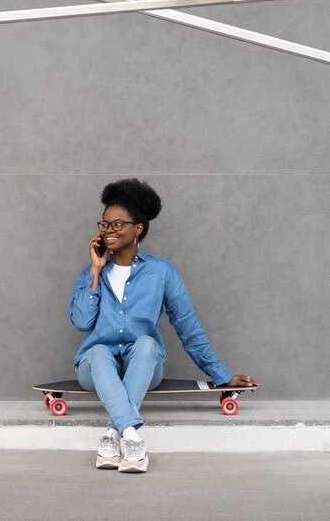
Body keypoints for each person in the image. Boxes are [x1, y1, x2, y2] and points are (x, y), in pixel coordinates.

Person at [69, 178, 260, 473]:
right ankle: (131, 438)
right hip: (95, 370)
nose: (108, 231)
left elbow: (188, 327)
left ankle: (112, 437)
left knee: (147, 343)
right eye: (104, 225)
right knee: (97, 351)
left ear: (138, 229)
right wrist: (95, 269)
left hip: (144, 366)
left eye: (118, 224)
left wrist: (219, 375)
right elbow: (81, 322)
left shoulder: (161, 272)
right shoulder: (91, 271)